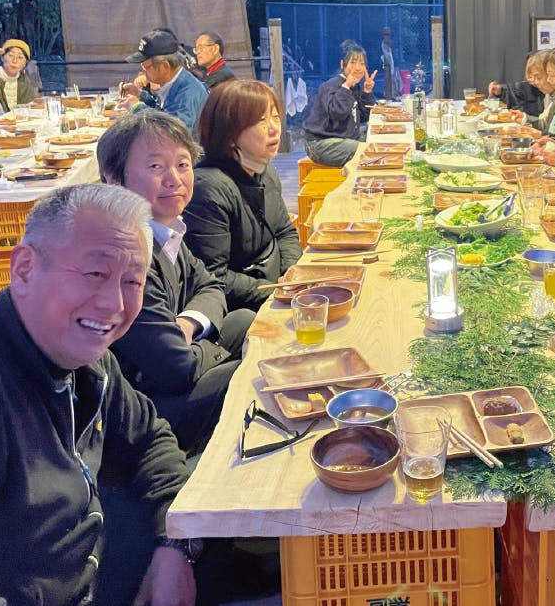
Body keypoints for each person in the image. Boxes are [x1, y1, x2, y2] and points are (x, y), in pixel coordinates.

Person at [0, 183, 197, 606]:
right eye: (95, 274)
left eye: (132, 281)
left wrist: (175, 547)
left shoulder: (87, 361)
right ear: (25, 269)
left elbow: (150, 441)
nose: (115, 304)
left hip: (90, 566)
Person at [98, 110, 255, 454]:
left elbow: (210, 285)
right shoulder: (123, 253)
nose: (174, 179)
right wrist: (218, 350)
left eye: (182, 165)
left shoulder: (161, 227)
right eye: (156, 167)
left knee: (247, 322)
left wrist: (187, 324)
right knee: (250, 374)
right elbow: (177, 369)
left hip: (168, 366)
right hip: (139, 409)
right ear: (113, 180)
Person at [184, 80, 301, 310]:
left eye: (275, 117)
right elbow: (213, 276)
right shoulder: (208, 189)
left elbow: (284, 231)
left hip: (274, 287)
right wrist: (274, 292)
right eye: (260, 121)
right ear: (229, 133)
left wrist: (291, 274)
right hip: (241, 307)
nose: (274, 128)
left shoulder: (263, 169)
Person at [303, 40, 378, 167]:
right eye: (353, 62)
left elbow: (365, 116)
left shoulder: (355, 87)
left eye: (362, 63)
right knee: (369, 151)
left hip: (345, 139)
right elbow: (338, 113)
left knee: (380, 143)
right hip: (320, 144)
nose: (358, 68)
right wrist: (346, 86)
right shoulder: (330, 86)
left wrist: (367, 92)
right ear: (342, 64)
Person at [122, 28, 210, 131]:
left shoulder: (188, 92)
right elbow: (162, 112)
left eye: (146, 67)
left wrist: (138, 107)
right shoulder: (174, 81)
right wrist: (139, 94)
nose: (143, 71)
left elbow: (171, 132)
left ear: (165, 67)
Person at [487, 51, 546, 118]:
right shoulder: (528, 86)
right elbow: (515, 89)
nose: (530, 75)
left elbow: (543, 122)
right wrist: (501, 90)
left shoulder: (551, 94)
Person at [0, 37, 38, 111]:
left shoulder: (25, 81)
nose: (15, 61)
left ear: (25, 63)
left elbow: (29, 108)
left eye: (20, 57)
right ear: (2, 57)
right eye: (11, 55)